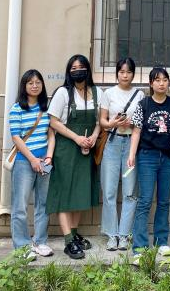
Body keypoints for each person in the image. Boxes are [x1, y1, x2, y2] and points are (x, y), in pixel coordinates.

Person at [46, 54, 103, 259]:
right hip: (66, 149)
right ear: (69, 72)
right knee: (64, 193)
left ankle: (74, 232)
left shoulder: (97, 92)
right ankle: (68, 240)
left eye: (81, 67)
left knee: (80, 192)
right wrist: (77, 138)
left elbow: (100, 120)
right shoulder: (63, 93)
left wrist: (93, 137)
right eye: (73, 68)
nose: (77, 71)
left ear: (88, 70)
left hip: (87, 148)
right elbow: (53, 121)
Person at [128, 67, 170, 263]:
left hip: (169, 158)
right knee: (145, 200)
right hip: (147, 156)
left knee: (163, 201)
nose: (162, 83)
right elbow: (136, 131)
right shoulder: (143, 104)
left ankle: (161, 241)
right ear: (151, 83)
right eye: (157, 80)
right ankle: (140, 247)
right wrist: (131, 154)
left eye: (165, 80)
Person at [98, 58, 145, 251]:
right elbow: (102, 121)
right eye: (122, 71)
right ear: (117, 73)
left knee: (129, 191)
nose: (125, 75)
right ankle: (112, 235)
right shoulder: (108, 93)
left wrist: (131, 123)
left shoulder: (139, 94)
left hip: (131, 145)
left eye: (129, 72)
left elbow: (141, 123)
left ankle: (124, 235)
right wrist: (113, 123)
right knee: (109, 191)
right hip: (112, 143)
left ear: (133, 74)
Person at [9, 69, 55, 258]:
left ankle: (40, 241)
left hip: (45, 161)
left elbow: (51, 134)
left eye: (38, 82)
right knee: (20, 206)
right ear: (24, 86)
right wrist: (33, 159)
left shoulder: (46, 108)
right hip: (24, 162)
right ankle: (22, 247)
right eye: (30, 83)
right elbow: (16, 138)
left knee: (43, 204)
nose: (35, 86)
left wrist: (49, 157)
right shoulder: (16, 109)